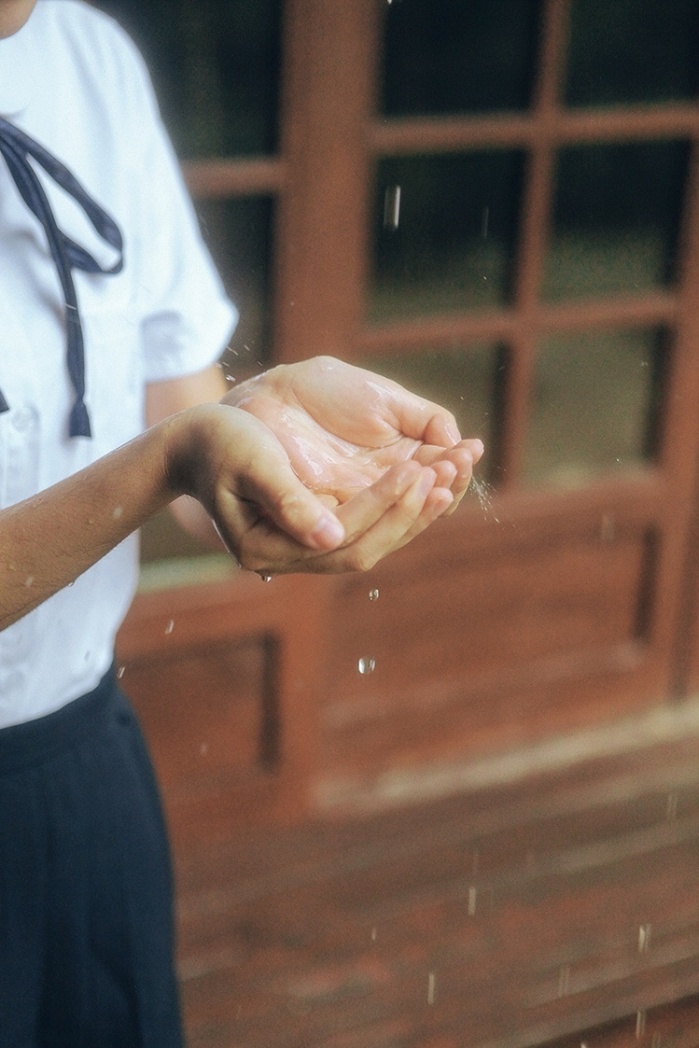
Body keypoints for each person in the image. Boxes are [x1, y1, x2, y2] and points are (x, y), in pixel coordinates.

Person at [0, 1, 484, 1045]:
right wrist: (175, 456)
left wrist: (265, 438)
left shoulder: (89, 58)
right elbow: (163, 457)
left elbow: (178, 430)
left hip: (84, 772)